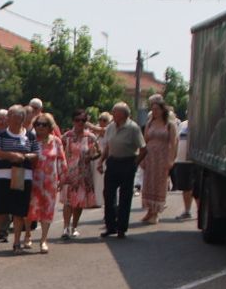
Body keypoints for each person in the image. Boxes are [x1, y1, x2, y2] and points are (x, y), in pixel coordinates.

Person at [0, 105, 38, 252]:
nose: (11, 120)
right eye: (10, 117)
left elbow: (36, 153)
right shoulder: (1, 135)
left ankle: (17, 241)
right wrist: (11, 155)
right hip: (3, 175)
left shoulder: (29, 135)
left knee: (19, 210)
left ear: (21, 119)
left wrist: (25, 156)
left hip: (22, 174)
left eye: (16, 117)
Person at [99, 102, 146, 238]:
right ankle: (110, 226)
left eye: (116, 113)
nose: (113, 115)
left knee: (125, 197)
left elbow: (143, 149)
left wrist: (134, 164)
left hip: (127, 161)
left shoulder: (133, 128)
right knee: (108, 194)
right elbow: (108, 146)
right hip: (113, 162)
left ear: (124, 115)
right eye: (113, 113)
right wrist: (101, 161)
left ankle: (121, 228)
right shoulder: (110, 127)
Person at [27, 113, 66, 253]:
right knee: (30, 208)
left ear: (50, 127)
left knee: (48, 209)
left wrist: (63, 177)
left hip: (50, 180)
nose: (40, 127)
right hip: (33, 179)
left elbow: (61, 159)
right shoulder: (31, 139)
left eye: (44, 124)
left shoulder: (56, 141)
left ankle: (43, 240)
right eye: (38, 124)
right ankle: (27, 235)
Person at [60, 110, 100, 239]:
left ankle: (74, 226)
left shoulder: (90, 137)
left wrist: (91, 157)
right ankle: (66, 227)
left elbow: (99, 152)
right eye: (78, 120)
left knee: (80, 201)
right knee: (68, 201)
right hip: (69, 171)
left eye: (83, 120)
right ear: (73, 121)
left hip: (84, 172)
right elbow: (60, 154)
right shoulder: (67, 137)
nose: (80, 123)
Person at [139, 94, 178, 225]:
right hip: (150, 156)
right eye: (153, 109)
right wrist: (142, 158)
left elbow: (173, 143)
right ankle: (149, 210)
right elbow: (144, 141)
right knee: (148, 183)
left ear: (162, 110)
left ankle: (155, 212)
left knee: (159, 183)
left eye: (157, 109)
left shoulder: (169, 125)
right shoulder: (150, 123)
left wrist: (171, 159)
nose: (154, 112)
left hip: (162, 157)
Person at [172, 115, 196, 220]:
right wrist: (173, 157)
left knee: (196, 190)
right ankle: (187, 211)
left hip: (194, 162)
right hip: (181, 161)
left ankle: (199, 213)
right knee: (185, 188)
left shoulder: (199, 125)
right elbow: (176, 142)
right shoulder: (182, 124)